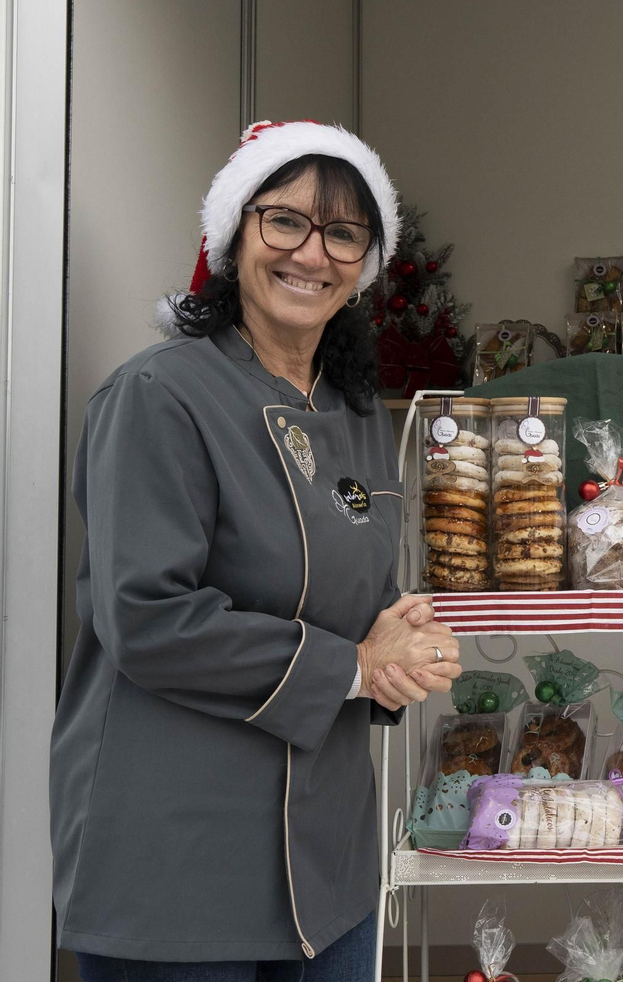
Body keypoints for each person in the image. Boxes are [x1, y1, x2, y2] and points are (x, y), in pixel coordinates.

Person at [51, 121, 461, 980]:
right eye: (285, 221)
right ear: (236, 232)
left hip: (330, 866)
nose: (312, 253)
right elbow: (148, 617)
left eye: (344, 232)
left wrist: (399, 645)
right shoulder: (159, 396)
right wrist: (355, 665)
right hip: (181, 864)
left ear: (365, 265)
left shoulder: (351, 412)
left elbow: (360, 603)